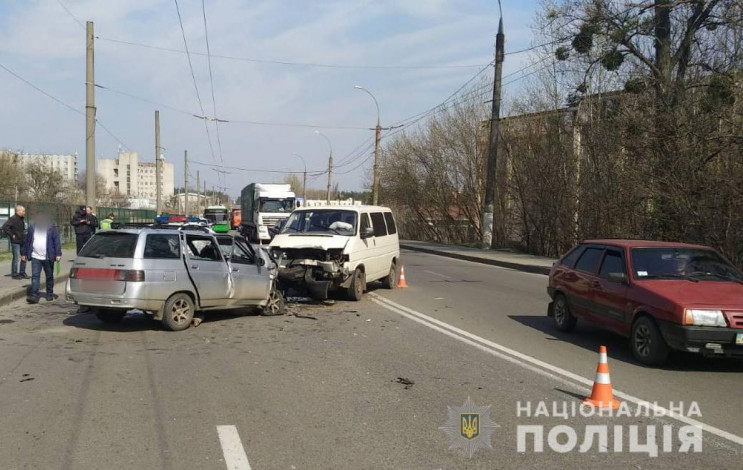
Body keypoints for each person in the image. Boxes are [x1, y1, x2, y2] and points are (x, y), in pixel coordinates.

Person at [22, 212, 61, 304]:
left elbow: (57, 241)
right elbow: (28, 241)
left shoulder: (51, 228)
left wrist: (58, 254)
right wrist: (24, 253)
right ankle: (34, 295)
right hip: (35, 256)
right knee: (35, 276)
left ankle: (49, 294)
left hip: (48, 256)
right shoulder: (32, 228)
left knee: (49, 276)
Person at [2, 205, 28, 280]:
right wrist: (12, 235)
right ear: (18, 211)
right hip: (16, 242)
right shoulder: (13, 219)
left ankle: (22, 273)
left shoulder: (21, 219)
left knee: (24, 257)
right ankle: (15, 274)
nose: (24, 212)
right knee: (16, 258)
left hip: (22, 241)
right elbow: (4, 227)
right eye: (23, 211)